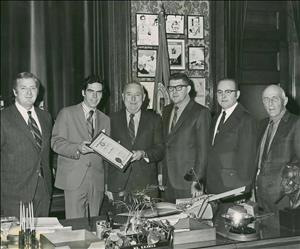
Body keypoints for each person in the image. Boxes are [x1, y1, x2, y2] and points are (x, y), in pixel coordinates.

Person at [51, 75, 110, 219]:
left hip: (97, 180)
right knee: (76, 226)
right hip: (74, 178)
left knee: (96, 224)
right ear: (83, 92)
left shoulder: (105, 119)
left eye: (99, 92)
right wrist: (77, 148)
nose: (95, 96)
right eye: (91, 91)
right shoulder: (66, 113)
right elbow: (55, 142)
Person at [1, 72, 53, 217]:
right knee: (16, 239)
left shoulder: (46, 117)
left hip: (43, 192)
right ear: (15, 92)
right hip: (13, 196)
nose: (29, 92)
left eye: (33, 88)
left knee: (43, 238)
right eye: (24, 88)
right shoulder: (4, 118)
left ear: (38, 91)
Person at [106, 83, 164, 201]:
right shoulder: (111, 119)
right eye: (129, 95)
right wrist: (106, 185)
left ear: (143, 98)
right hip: (118, 186)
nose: (133, 99)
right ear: (123, 96)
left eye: (137, 95)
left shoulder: (154, 119)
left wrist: (144, 153)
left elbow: (160, 149)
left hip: (146, 186)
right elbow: (105, 157)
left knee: (148, 219)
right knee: (120, 219)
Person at [161, 73, 211, 202]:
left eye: (179, 88)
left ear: (188, 89)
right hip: (168, 182)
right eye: (171, 88)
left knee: (188, 221)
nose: (174, 92)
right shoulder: (166, 111)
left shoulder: (200, 112)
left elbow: (203, 151)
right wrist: (161, 173)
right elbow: (166, 145)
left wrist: (197, 181)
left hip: (189, 183)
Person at [206, 78, 257, 197]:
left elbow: (248, 158)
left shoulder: (246, 119)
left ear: (237, 94)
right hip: (213, 185)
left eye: (228, 92)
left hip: (233, 187)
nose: (223, 96)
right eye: (219, 92)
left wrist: (243, 189)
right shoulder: (215, 118)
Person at [255, 84, 300, 212]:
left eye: (275, 99)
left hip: (284, 198)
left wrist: (291, 192)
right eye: (266, 99)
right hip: (261, 196)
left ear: (284, 101)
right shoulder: (262, 124)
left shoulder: (296, 123)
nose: (270, 103)